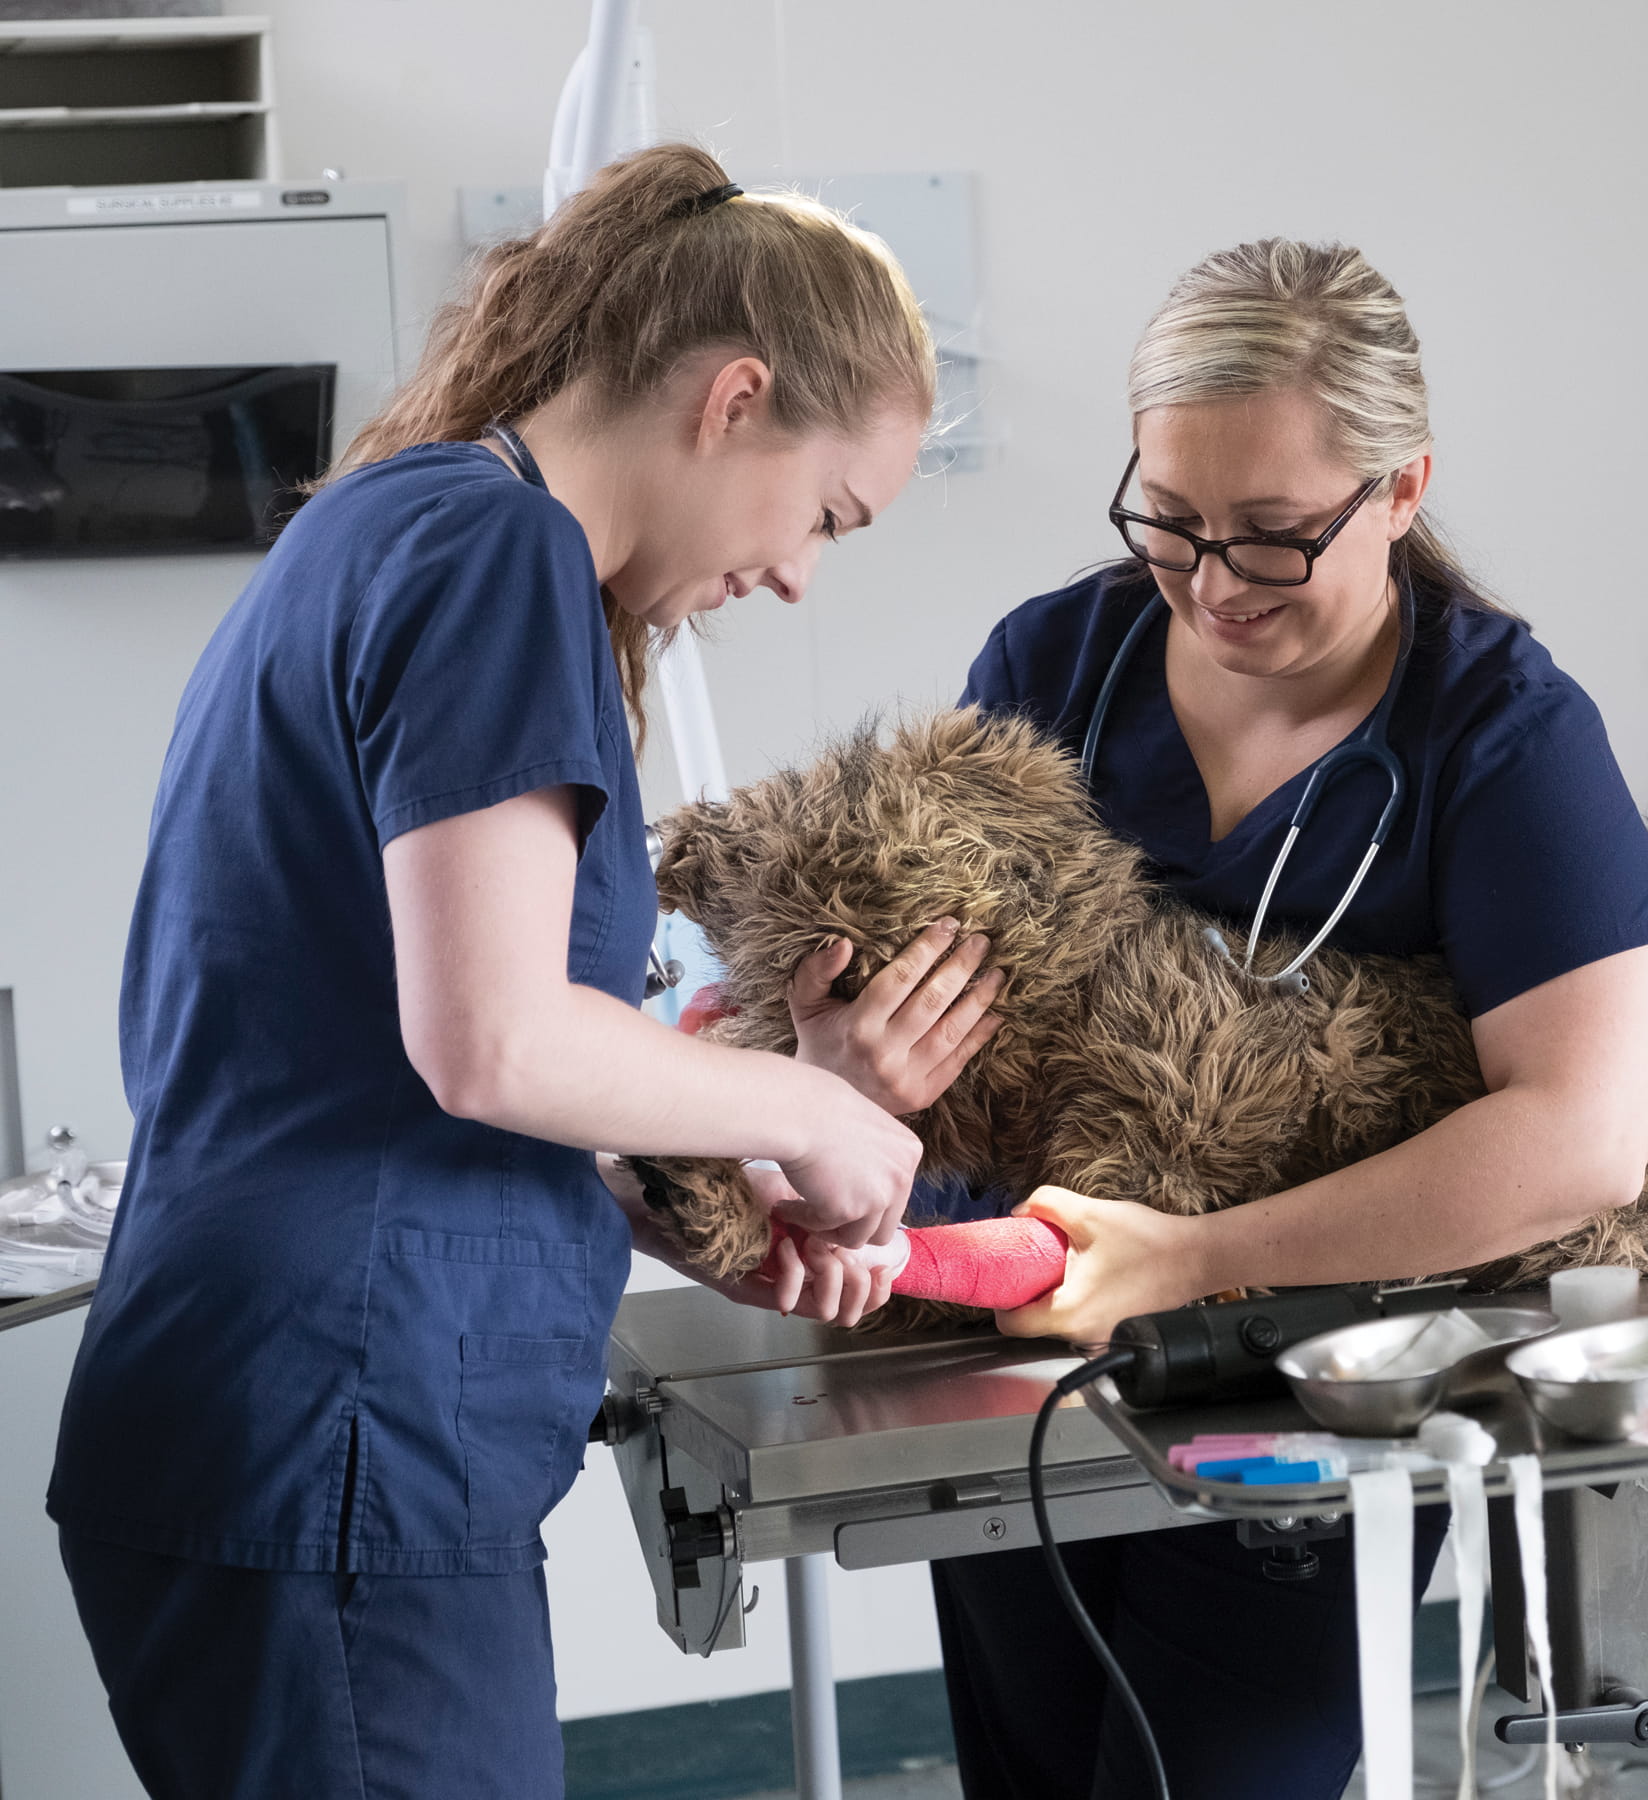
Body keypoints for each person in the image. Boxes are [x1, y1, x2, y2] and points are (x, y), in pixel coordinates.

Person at [46, 145, 1003, 1800]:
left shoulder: (393, 519)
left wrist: (706, 1192)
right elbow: (486, 1041)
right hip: (338, 1442)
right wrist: (811, 1108)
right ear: (735, 399)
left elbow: (386, 1045)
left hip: (299, 1427)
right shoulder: (502, 565)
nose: (796, 574)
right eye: (825, 513)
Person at [922, 239, 1648, 1800]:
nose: (1210, 586)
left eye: (1273, 539)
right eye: (1170, 522)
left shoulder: (1499, 735)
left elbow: (1582, 1134)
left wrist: (1200, 1262)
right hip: (1031, 1348)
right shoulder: (1054, 666)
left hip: (1317, 1375)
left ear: (1402, 490)